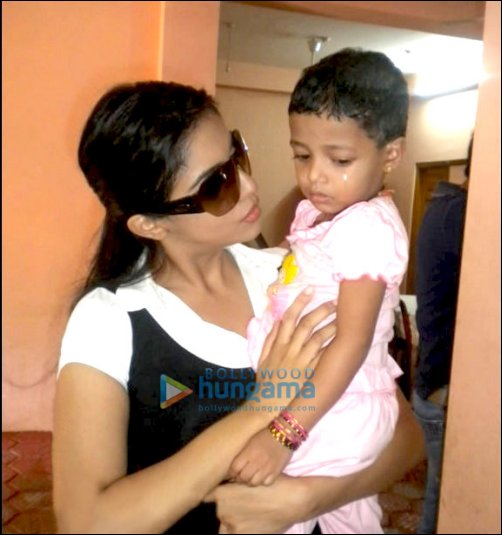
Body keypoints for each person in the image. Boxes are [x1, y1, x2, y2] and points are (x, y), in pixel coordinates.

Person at [52, 80, 424, 535]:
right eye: (216, 185)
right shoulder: (110, 320)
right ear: (150, 224)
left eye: (237, 156)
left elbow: (407, 437)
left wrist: (307, 500)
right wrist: (261, 407)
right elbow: (86, 523)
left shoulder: (288, 274)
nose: (248, 186)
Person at [228, 48, 410, 534]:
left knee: (267, 509)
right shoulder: (326, 215)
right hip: (319, 401)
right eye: (302, 155)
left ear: (391, 155)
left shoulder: (367, 230)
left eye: (340, 159)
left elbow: (351, 343)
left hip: (337, 407)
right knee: (341, 517)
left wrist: (283, 435)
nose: (315, 175)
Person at [412, 136, 472, 534]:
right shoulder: (461, 215)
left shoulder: (444, 207)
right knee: (445, 502)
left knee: (440, 496)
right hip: (441, 388)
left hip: (431, 381)